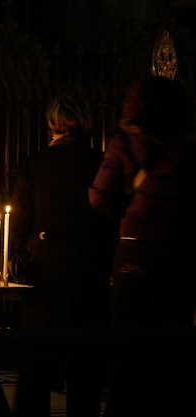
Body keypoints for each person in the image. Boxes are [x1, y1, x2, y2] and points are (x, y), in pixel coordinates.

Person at [89, 75, 196, 417]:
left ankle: (125, 408)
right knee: (171, 337)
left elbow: (99, 195)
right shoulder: (187, 146)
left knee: (128, 337)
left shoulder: (124, 142)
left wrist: (127, 215)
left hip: (135, 250)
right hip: (179, 249)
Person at [10, 94, 118, 417]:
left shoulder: (35, 164)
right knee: (85, 372)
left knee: (37, 369)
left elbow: (19, 222)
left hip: (47, 273)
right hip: (91, 272)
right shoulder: (99, 162)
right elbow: (111, 216)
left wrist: (17, 255)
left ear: (53, 126)